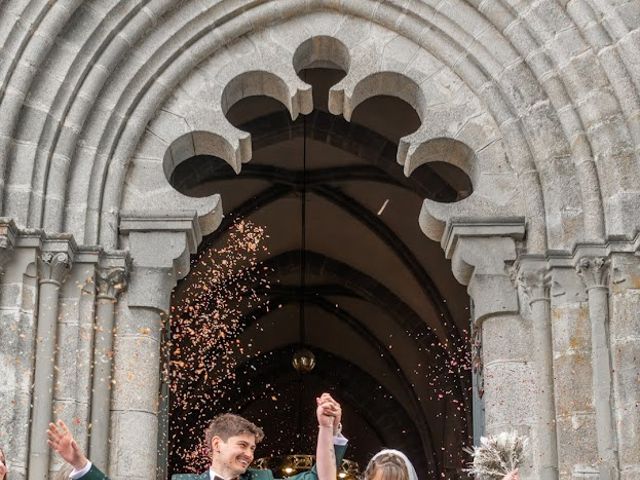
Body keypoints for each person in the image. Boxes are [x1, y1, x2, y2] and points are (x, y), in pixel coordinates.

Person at [48, 393, 346, 480]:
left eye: (252, 448)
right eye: (242, 445)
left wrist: (326, 429)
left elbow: (322, 477)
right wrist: (81, 464)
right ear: (217, 444)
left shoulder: (263, 478)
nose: (249, 454)